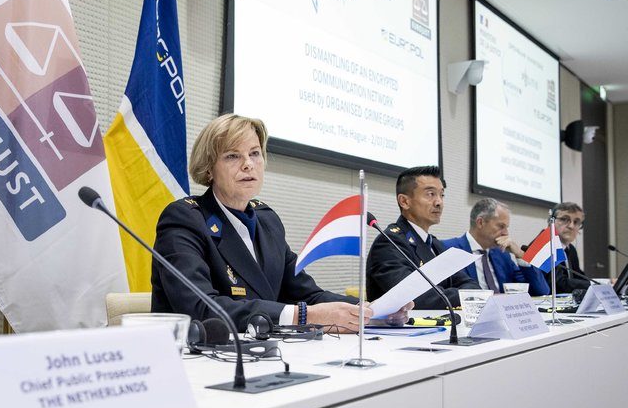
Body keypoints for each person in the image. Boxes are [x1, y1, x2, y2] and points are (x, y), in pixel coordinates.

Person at [150, 114, 410, 332]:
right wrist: (305, 317)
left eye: (254, 153)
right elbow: (200, 308)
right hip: (198, 362)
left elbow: (306, 293)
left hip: (262, 353)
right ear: (209, 169)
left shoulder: (267, 221)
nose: (248, 164)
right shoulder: (185, 219)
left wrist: (372, 309)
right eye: (232, 156)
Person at [367, 165, 478, 309]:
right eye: (430, 194)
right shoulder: (389, 243)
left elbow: (472, 285)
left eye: (441, 194)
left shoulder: (435, 244)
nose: (439, 202)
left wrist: (468, 294)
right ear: (404, 201)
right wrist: (466, 296)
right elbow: (415, 299)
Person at [441, 198, 548, 295]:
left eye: (506, 227)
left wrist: (520, 255)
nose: (506, 233)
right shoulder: (449, 249)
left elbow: (541, 291)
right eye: (501, 226)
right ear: (480, 222)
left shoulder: (502, 254)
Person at [551, 201, 590, 294]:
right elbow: (559, 283)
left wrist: (604, 283)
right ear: (551, 221)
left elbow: (578, 276)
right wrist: (592, 285)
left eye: (576, 222)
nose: (571, 226)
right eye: (564, 219)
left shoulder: (570, 248)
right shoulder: (544, 246)